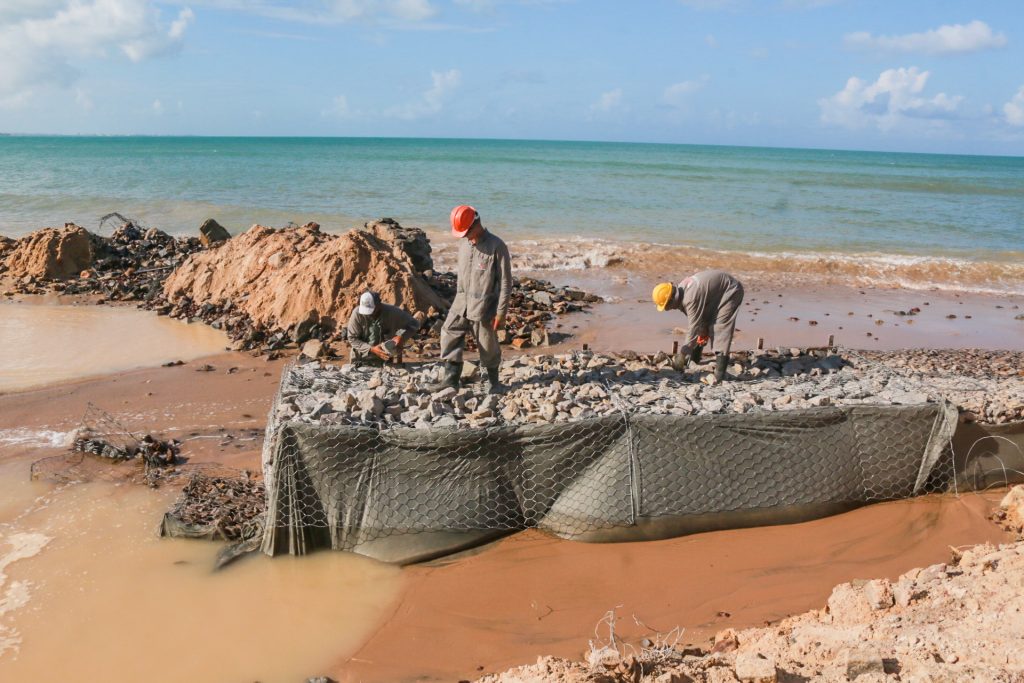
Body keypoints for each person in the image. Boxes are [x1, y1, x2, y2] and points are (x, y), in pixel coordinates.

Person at [428, 204, 512, 394]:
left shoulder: (497, 246)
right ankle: (451, 379)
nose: (465, 236)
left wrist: (501, 312)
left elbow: (506, 283)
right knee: (449, 331)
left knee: (487, 344)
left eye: (467, 232)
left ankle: (494, 382)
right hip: (461, 302)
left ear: (477, 223)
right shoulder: (463, 244)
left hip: (484, 307)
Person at [652, 270, 745, 381]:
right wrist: (701, 332)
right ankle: (695, 360)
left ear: (672, 299)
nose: (668, 309)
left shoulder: (690, 298)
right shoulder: (682, 291)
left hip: (730, 290)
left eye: (667, 306)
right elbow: (698, 322)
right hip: (716, 293)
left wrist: (681, 355)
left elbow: (693, 328)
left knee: (719, 328)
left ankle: (719, 375)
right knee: (703, 324)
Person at [346, 290, 420, 365]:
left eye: (372, 310)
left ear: (379, 304)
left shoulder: (392, 312)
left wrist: (400, 335)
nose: (369, 314)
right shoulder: (357, 313)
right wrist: (371, 349)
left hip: (386, 359)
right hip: (360, 359)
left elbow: (414, 324)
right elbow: (352, 338)